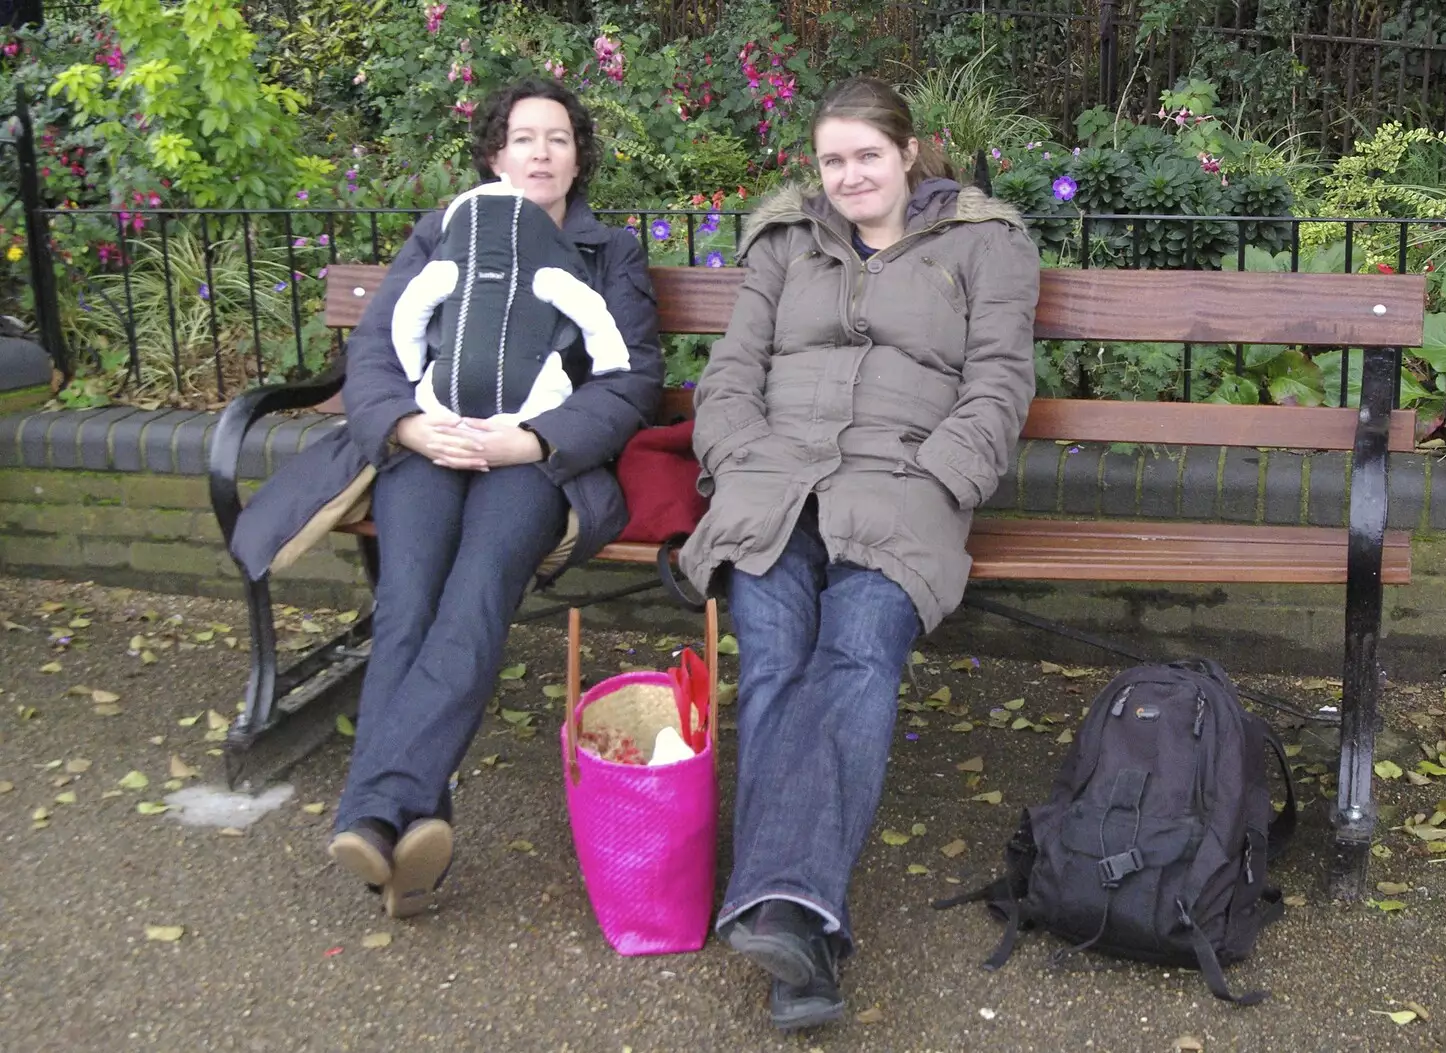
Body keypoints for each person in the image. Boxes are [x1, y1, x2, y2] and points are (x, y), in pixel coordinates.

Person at [678, 76, 1040, 1030]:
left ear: (909, 150)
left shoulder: (985, 243)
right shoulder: (785, 242)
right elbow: (729, 376)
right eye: (832, 159)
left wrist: (940, 477)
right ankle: (800, 925)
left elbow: (1000, 384)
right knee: (774, 658)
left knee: (858, 651)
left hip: (903, 486)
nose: (849, 175)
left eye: (867, 155)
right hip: (774, 484)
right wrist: (740, 458)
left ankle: (786, 909)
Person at [323, 78, 663, 918]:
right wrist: (405, 426)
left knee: (476, 590)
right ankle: (412, 825)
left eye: (558, 138)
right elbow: (377, 348)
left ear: (578, 155)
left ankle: (372, 808)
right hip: (429, 445)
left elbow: (633, 378)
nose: (541, 152)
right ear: (495, 153)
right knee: (407, 601)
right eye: (524, 138)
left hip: (537, 459)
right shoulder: (446, 230)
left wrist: (537, 438)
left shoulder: (607, 251)